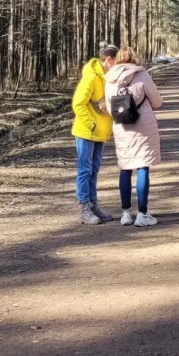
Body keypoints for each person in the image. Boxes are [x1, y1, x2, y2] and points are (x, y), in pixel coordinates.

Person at [104, 46, 164, 226]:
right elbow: (157, 101)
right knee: (142, 167)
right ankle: (143, 214)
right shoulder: (142, 75)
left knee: (125, 168)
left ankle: (125, 213)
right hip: (143, 126)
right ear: (134, 58)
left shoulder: (110, 80)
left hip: (122, 127)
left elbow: (109, 108)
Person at [71, 45, 117, 225]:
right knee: (85, 170)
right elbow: (78, 103)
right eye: (117, 61)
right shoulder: (90, 77)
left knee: (94, 170)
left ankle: (93, 204)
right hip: (86, 132)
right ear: (108, 60)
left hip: (100, 133)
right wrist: (91, 124)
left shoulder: (109, 79)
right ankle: (84, 208)